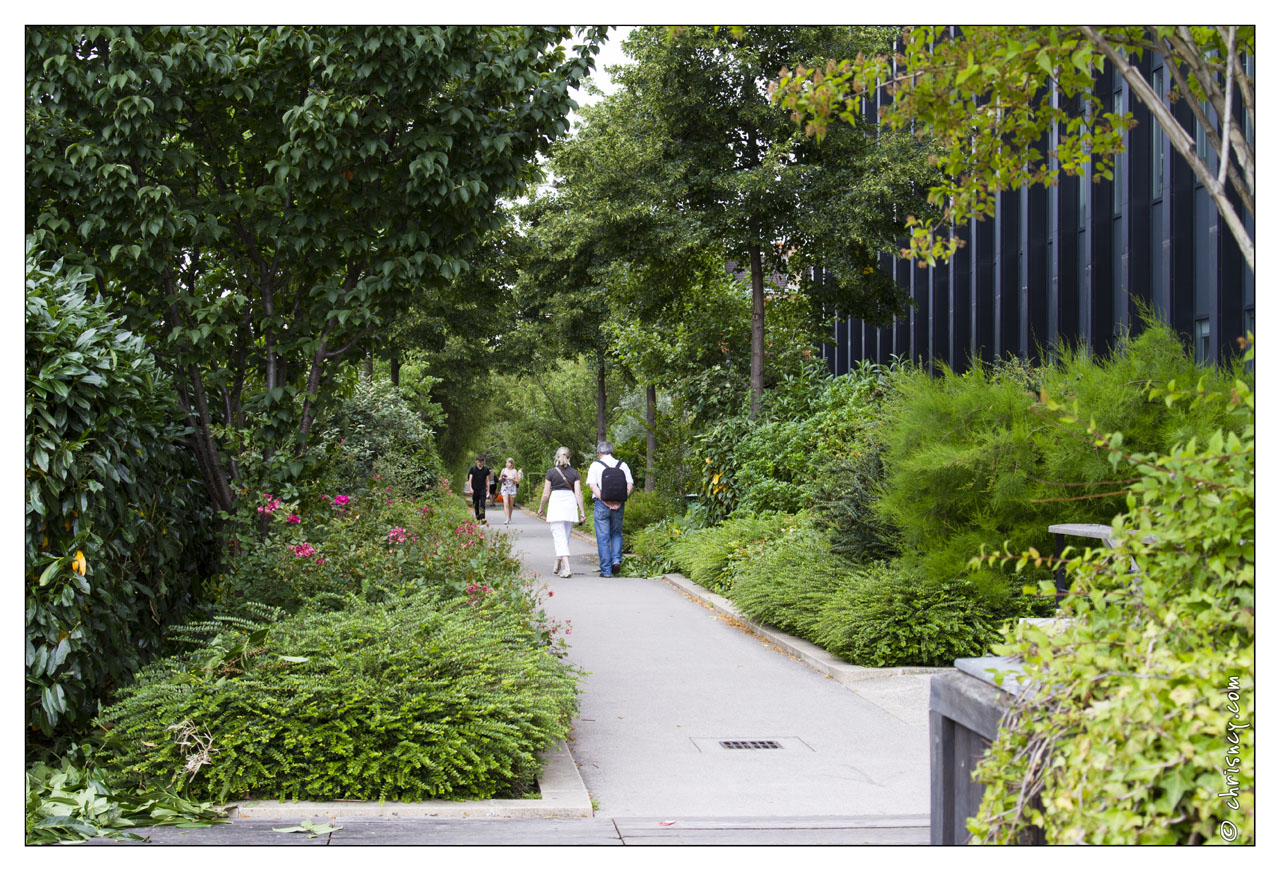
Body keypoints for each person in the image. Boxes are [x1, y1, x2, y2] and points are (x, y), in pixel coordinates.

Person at [586, 440, 633, 578]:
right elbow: (630, 484)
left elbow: (593, 486)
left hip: (601, 505)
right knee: (616, 533)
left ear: (599, 452)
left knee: (603, 537)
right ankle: (616, 560)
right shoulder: (622, 465)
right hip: (619, 504)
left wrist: (605, 501)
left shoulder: (595, 465)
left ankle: (606, 571)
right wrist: (621, 500)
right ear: (612, 451)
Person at [536, 446, 585, 578]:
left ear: (556, 457)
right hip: (570, 504)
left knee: (559, 537)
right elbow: (578, 493)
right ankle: (558, 563)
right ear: (569, 458)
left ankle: (567, 568)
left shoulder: (551, 472)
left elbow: (546, 494)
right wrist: (582, 511)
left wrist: (541, 506)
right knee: (565, 537)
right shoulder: (575, 473)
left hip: (556, 504)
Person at [465, 456, 492, 524]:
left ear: (483, 462)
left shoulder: (486, 469)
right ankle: (477, 518)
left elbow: (487, 480)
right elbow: (470, 479)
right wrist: (470, 488)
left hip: (483, 489)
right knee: (476, 504)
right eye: (479, 461)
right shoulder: (473, 469)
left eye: (481, 461)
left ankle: (482, 518)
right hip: (475, 489)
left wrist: (488, 491)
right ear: (476, 461)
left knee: (482, 503)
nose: (480, 463)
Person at [498, 458, 522, 526]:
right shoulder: (503, 470)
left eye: (508, 463)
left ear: (512, 464)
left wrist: (511, 479)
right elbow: (499, 479)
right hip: (505, 488)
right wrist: (502, 478)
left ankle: (510, 517)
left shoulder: (514, 471)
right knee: (506, 503)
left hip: (512, 489)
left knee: (511, 505)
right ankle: (506, 519)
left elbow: (517, 481)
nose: (506, 464)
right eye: (506, 462)